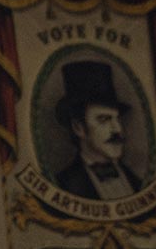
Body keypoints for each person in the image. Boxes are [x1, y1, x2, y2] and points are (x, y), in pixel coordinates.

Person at [52, 59, 143, 200]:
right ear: (79, 128)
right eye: (104, 120)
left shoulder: (137, 183)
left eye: (117, 118)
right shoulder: (62, 185)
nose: (117, 129)